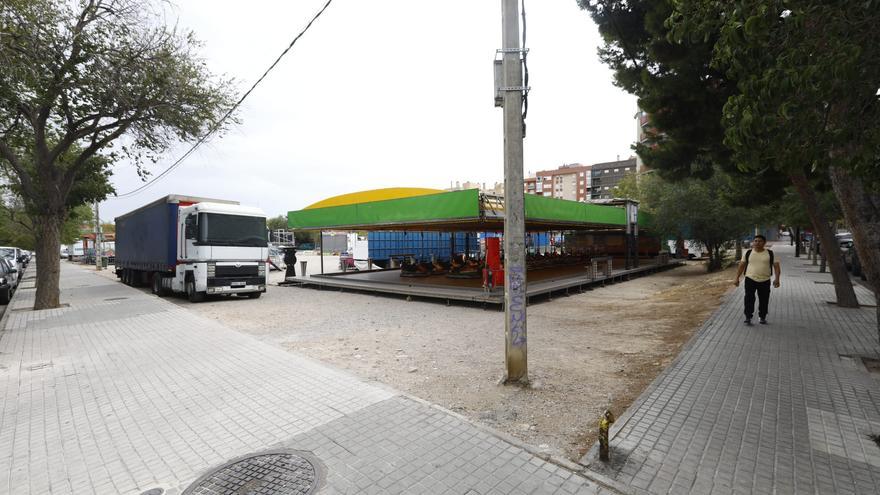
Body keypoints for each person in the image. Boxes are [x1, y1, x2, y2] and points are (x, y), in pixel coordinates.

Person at [734, 235, 781, 325]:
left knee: (764, 299)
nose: (757, 243)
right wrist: (736, 278)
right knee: (749, 298)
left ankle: (762, 317)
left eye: (760, 241)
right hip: (750, 279)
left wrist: (777, 279)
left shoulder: (770, 253)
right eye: (755, 241)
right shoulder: (748, 253)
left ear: (764, 243)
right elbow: (741, 265)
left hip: (765, 280)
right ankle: (748, 317)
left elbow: (776, 267)